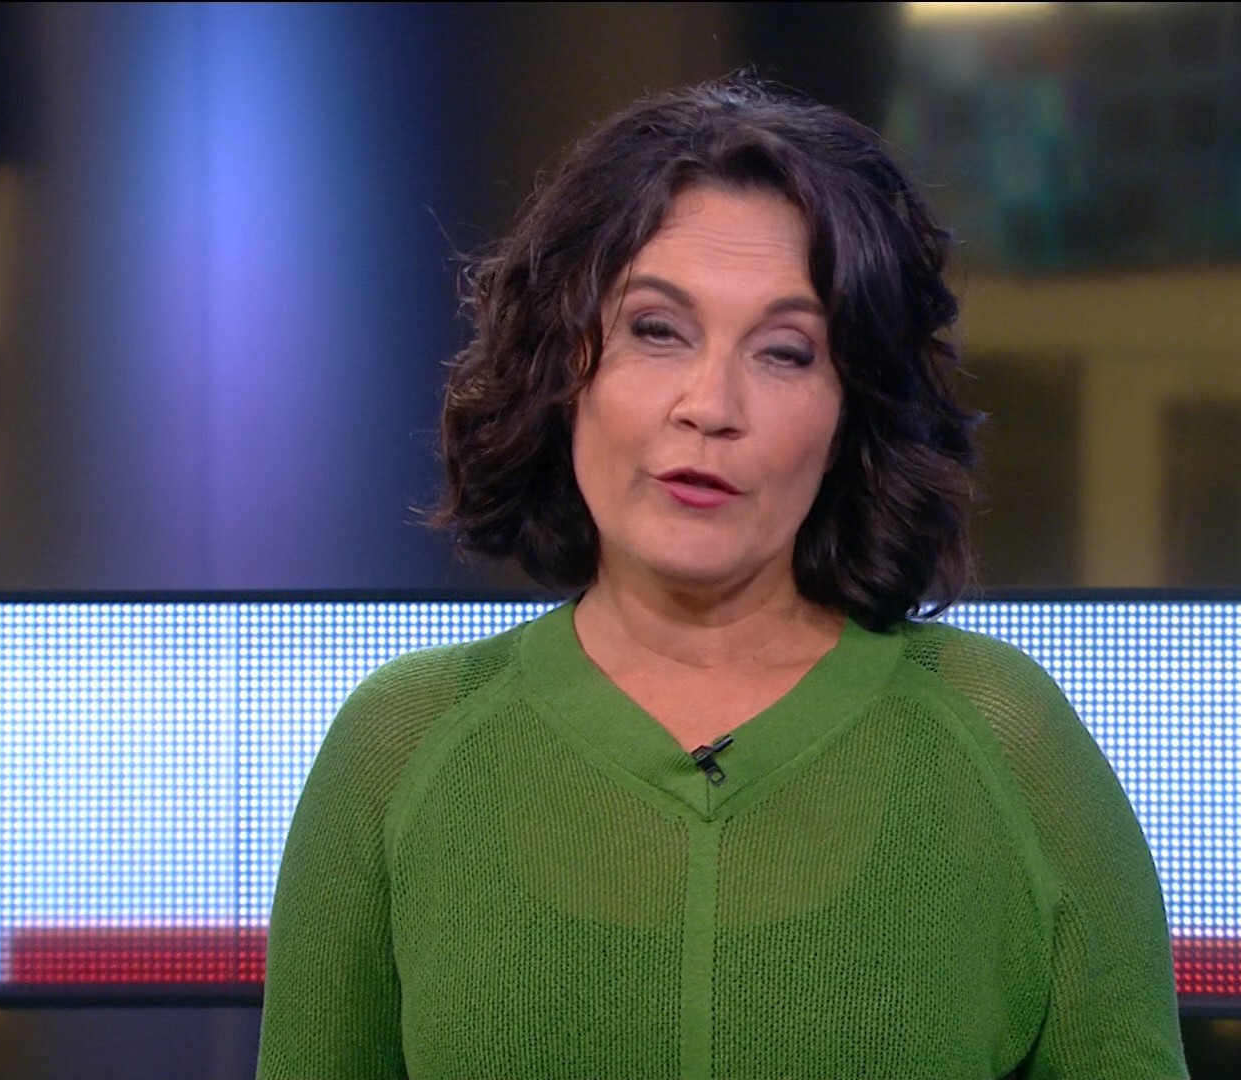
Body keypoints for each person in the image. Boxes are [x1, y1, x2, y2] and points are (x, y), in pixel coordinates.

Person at [256, 75, 1186, 1080]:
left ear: (850, 416)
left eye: (785, 352)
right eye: (657, 330)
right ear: (562, 365)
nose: (711, 405)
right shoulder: (398, 747)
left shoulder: (1006, 740)